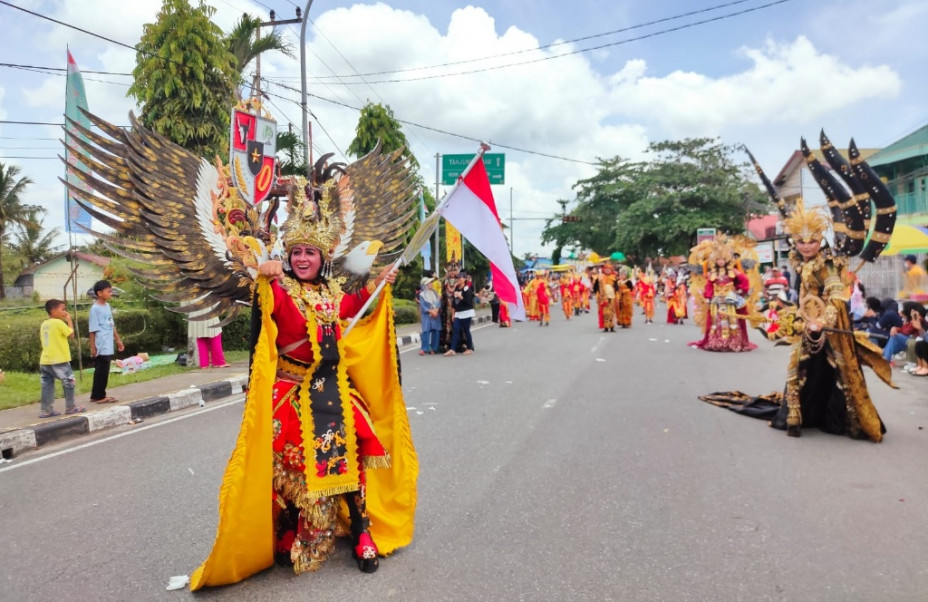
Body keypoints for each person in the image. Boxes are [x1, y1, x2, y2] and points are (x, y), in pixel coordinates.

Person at [190, 180, 417, 589]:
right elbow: (267, 310)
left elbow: (355, 308)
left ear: (323, 257)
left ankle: (362, 526)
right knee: (288, 457)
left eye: (310, 252)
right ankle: (290, 526)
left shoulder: (332, 291)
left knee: (354, 442)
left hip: (332, 388)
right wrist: (265, 274)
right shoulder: (279, 288)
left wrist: (379, 284)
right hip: (291, 389)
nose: (302, 258)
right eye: (295, 252)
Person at [688, 238, 755, 351]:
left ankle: (733, 343)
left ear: (726, 260)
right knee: (717, 320)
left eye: (722, 259)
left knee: (731, 320)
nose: (720, 262)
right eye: (718, 259)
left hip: (729, 300)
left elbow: (745, 280)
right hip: (717, 300)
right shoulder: (712, 273)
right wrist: (708, 297)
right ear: (715, 260)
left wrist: (739, 291)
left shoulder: (733, 271)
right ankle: (718, 343)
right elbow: (709, 286)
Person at [39, 299, 84, 418]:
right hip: (59, 359)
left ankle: (46, 410)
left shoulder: (45, 324)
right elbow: (71, 335)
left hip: (45, 359)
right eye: (62, 309)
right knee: (69, 382)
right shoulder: (58, 323)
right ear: (53, 311)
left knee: (47, 385)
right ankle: (71, 407)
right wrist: (69, 321)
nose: (65, 312)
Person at [88, 280, 124, 403]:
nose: (111, 293)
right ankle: (99, 396)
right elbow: (92, 329)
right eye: (108, 291)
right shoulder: (95, 309)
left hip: (108, 342)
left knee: (104, 369)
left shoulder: (107, 306)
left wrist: (118, 339)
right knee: (101, 370)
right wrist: (93, 347)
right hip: (101, 343)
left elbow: (111, 324)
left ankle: (96, 394)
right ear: (99, 293)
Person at [445, 271, 476, 355]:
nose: (458, 279)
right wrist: (453, 313)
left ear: (464, 279)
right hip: (458, 313)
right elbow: (454, 303)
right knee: (456, 329)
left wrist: (460, 296)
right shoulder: (457, 289)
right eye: (457, 277)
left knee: (466, 330)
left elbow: (468, 302)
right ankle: (452, 349)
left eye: (460, 277)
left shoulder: (467, 289)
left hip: (466, 312)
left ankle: (469, 348)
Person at [418, 275, 441, 355]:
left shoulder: (435, 293)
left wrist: (436, 310)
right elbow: (423, 306)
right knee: (426, 331)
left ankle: (434, 348)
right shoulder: (422, 294)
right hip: (427, 315)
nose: (431, 284)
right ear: (426, 285)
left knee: (436, 331)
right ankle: (424, 348)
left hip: (435, 315)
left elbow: (438, 303)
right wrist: (431, 312)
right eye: (430, 283)